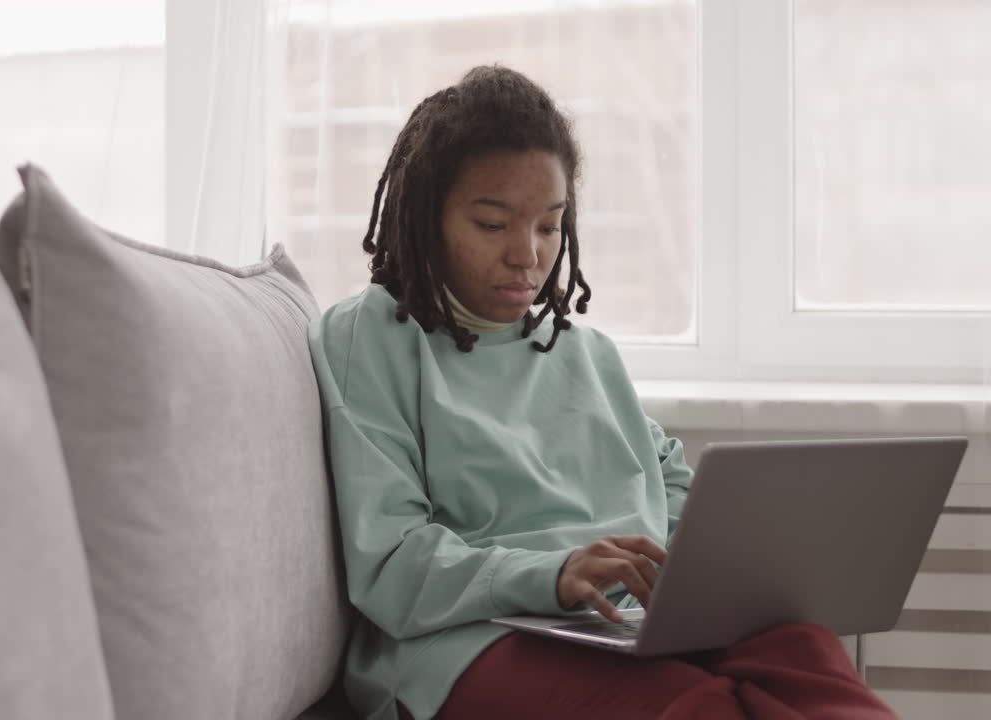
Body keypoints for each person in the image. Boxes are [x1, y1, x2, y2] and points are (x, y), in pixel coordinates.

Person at [306, 65, 897, 720]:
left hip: (623, 619)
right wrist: (554, 575)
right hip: (466, 639)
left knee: (808, 654)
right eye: (493, 224)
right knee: (697, 707)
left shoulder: (585, 352)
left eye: (550, 226)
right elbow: (391, 561)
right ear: (425, 216)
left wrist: (731, 564)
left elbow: (666, 485)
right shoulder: (373, 336)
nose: (528, 255)